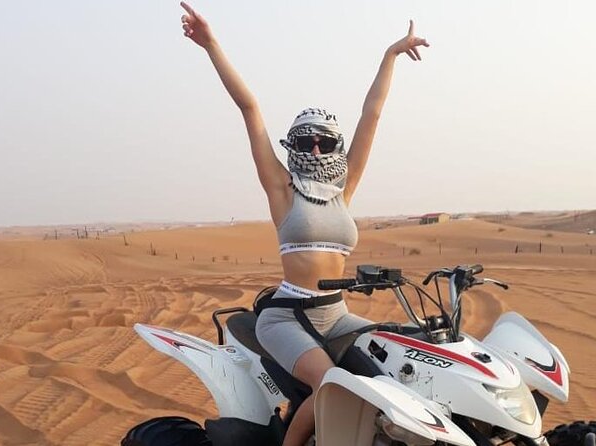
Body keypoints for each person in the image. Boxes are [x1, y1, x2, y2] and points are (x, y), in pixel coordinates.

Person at [179, 3, 429, 445]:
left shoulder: (344, 188)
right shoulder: (282, 189)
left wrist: (390, 55)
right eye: (305, 141)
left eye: (324, 142)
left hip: (337, 315)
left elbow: (371, 115)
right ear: (292, 145)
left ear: (336, 146)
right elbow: (250, 108)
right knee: (330, 385)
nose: (315, 150)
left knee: (401, 364)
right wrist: (210, 44)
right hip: (286, 317)